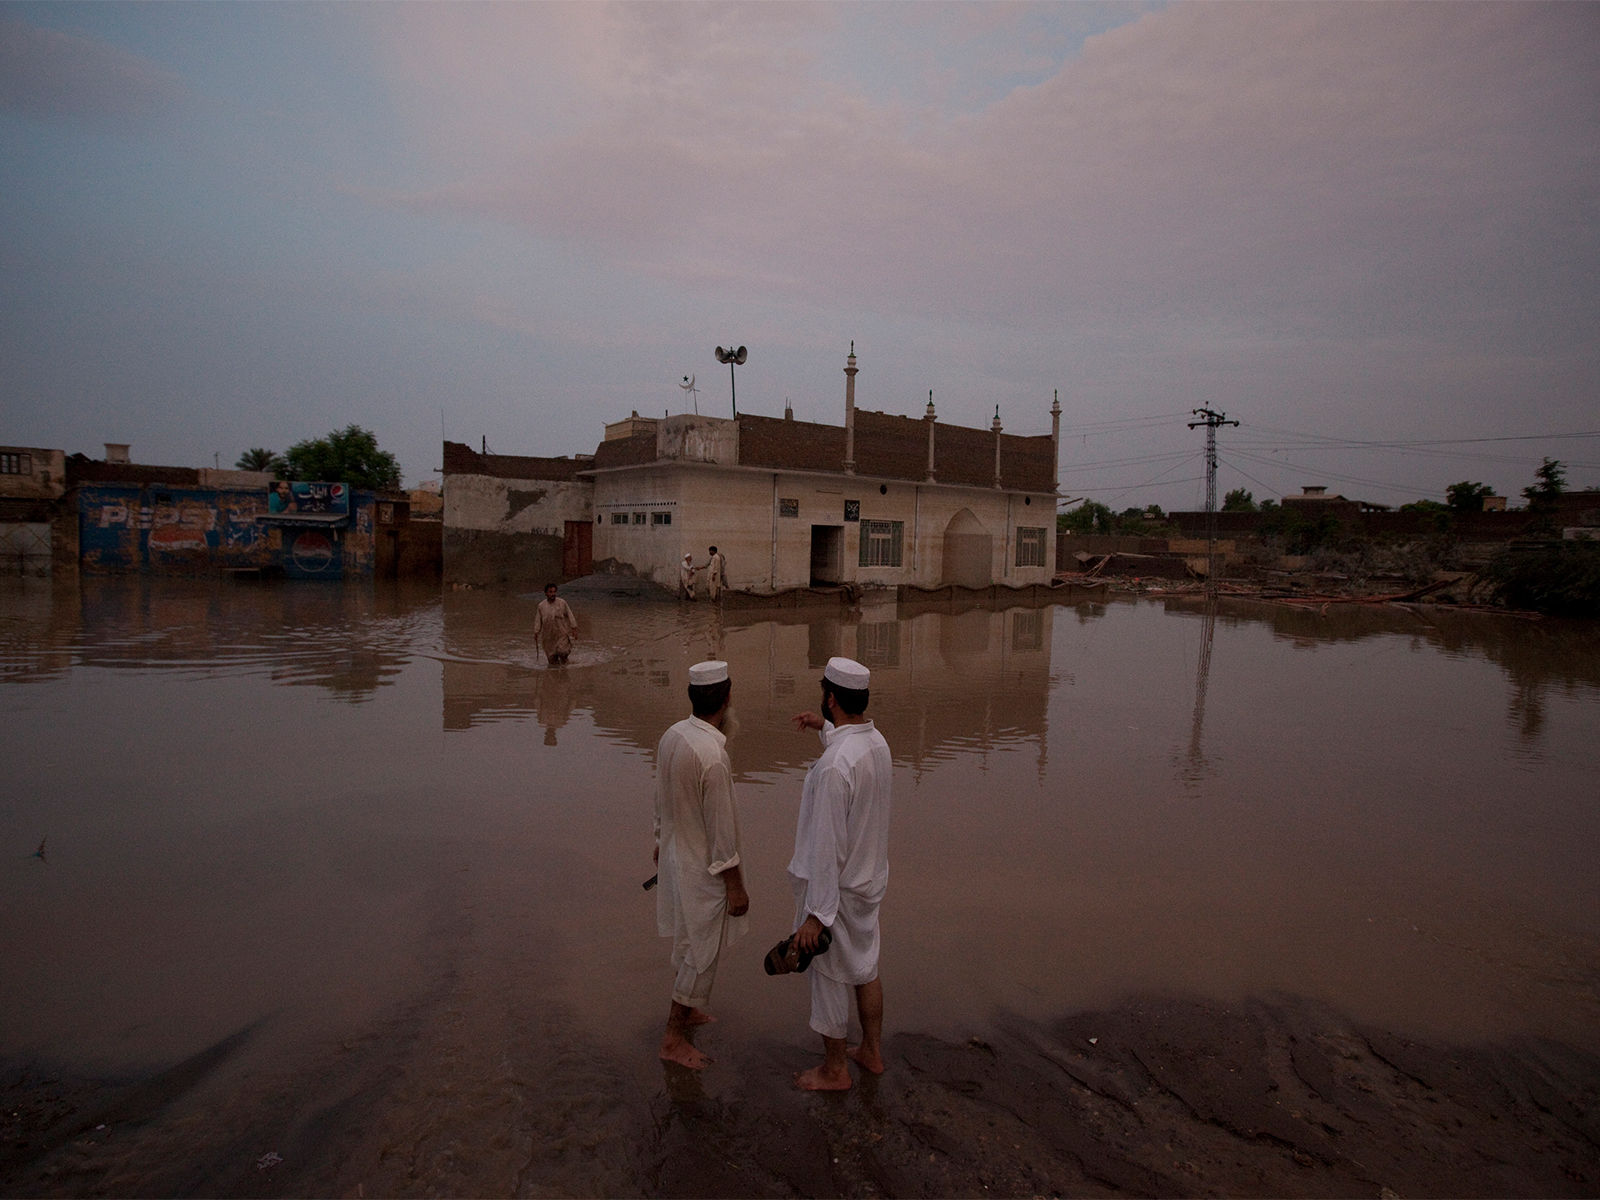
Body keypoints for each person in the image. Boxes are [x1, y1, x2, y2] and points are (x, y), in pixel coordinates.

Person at [788, 656, 891, 1090]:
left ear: (830, 698)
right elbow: (849, 748)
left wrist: (818, 915)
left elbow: (828, 845)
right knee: (865, 968)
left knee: (828, 976)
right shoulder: (877, 744)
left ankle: (834, 1070)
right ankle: (871, 1051)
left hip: (837, 892)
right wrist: (824, 727)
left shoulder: (835, 766)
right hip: (868, 883)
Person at [654, 660, 750, 1069]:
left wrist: (659, 840)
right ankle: (673, 1039)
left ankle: (689, 1011)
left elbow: (660, 797)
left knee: (687, 938)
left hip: (676, 857)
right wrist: (735, 886)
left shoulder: (673, 734)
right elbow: (721, 831)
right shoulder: (713, 756)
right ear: (727, 700)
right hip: (702, 868)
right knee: (701, 950)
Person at [533, 582, 577, 664]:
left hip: (561, 633)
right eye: (550, 592)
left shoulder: (562, 603)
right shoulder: (541, 606)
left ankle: (565, 668)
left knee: (563, 652)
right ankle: (556, 671)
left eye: (554, 591)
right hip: (548, 635)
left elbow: (570, 615)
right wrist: (536, 632)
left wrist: (574, 628)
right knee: (552, 659)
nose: (553, 594)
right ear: (546, 593)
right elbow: (538, 620)